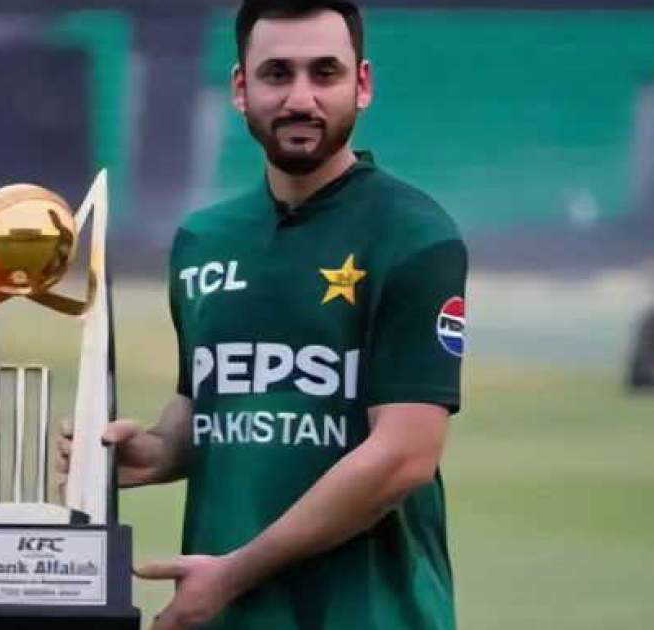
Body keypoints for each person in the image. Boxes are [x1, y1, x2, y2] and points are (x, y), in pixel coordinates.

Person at [61, 2, 467, 628]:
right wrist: (154, 450)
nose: (300, 98)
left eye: (324, 73)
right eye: (277, 73)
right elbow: (213, 405)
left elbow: (403, 457)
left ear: (361, 84)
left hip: (370, 614)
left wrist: (233, 573)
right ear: (240, 88)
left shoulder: (414, 235)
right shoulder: (203, 240)